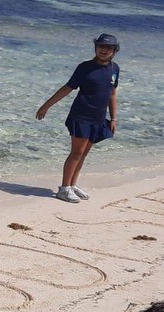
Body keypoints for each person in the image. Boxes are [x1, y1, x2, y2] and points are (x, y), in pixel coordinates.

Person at [36, 33, 120, 203]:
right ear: (96, 47)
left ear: (114, 51)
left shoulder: (114, 69)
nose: (104, 50)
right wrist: (47, 105)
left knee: (84, 154)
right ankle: (64, 188)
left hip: (98, 118)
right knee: (76, 152)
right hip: (81, 115)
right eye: (101, 46)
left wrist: (113, 118)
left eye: (108, 48)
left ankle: (72, 185)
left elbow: (112, 94)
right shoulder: (85, 67)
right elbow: (67, 88)